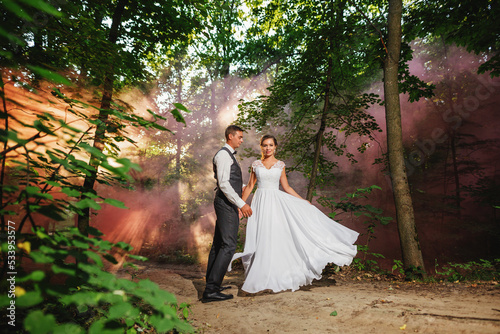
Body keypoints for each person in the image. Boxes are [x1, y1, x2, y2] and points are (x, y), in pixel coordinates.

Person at [229, 135, 359, 293]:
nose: (267, 148)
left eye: (270, 145)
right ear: (261, 147)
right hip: (260, 203)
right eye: (265, 145)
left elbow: (287, 187)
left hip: (275, 203)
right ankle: (261, 277)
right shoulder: (256, 164)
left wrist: (304, 201)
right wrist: (240, 205)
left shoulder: (280, 165)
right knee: (261, 237)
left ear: (275, 147)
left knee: (274, 237)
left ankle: (276, 276)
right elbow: (249, 186)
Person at [203, 125, 253, 303]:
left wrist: (243, 189)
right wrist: (242, 203)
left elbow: (229, 182)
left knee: (219, 244)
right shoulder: (224, 155)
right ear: (230, 136)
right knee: (229, 245)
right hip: (226, 204)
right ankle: (211, 290)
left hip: (226, 202)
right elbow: (224, 184)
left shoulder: (228, 155)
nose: (241, 140)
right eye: (239, 137)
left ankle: (212, 284)